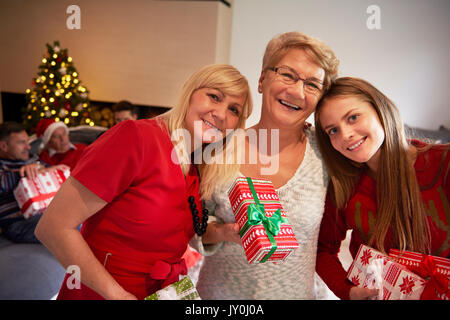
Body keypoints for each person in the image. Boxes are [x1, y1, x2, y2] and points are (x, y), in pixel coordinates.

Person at [35, 64, 253, 300]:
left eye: (233, 109)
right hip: (101, 293)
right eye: (214, 97)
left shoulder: (198, 164)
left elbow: (180, 230)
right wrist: (117, 295)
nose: (221, 114)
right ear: (190, 93)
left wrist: (225, 232)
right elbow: (53, 228)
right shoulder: (134, 137)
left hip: (163, 291)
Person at [192, 31, 340, 299]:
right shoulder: (219, 146)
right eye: (287, 75)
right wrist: (225, 231)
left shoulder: (327, 155)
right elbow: (194, 227)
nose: (297, 91)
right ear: (262, 80)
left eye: (312, 84)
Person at [314, 77, 449, 300]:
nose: (345, 134)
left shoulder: (443, 163)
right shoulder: (344, 185)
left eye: (353, 117)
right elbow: (322, 249)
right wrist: (348, 291)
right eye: (333, 130)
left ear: (380, 108)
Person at [0, 121, 68, 243]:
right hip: (18, 223)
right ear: (4, 146)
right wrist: (24, 173)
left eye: (27, 141)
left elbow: (49, 170)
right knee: (66, 224)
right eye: (22, 143)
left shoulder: (33, 159)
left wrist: (43, 169)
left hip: (48, 212)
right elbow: (3, 182)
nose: (28, 146)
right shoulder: (3, 166)